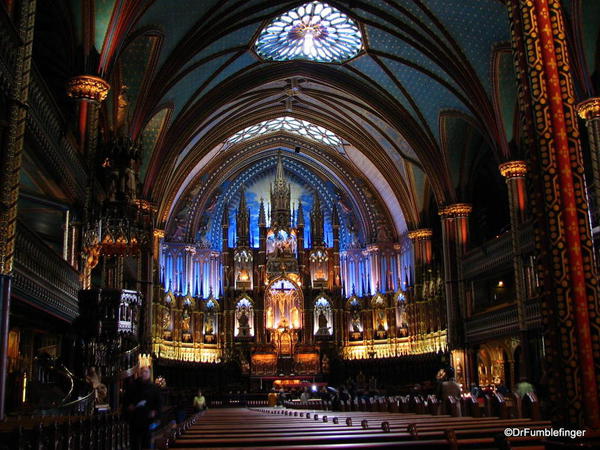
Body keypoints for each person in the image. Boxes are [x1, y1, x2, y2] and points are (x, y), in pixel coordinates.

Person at [124, 366, 162, 450]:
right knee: (134, 444)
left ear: (149, 373)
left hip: (147, 420)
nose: (144, 374)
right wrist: (129, 406)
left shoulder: (154, 388)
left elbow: (158, 403)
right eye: (142, 372)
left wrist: (155, 412)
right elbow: (126, 400)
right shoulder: (132, 386)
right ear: (139, 374)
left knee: (146, 444)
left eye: (146, 372)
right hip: (134, 419)